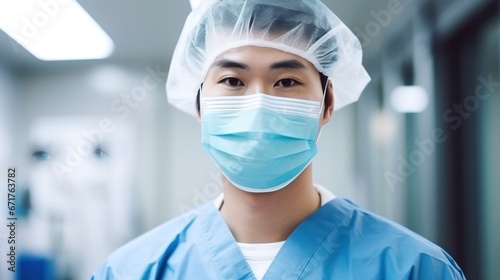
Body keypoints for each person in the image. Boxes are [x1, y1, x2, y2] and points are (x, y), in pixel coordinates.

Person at [92, 0, 466, 279]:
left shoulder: (412, 268)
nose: (258, 104)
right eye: (232, 81)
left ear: (327, 102)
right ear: (199, 104)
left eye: (286, 81)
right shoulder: (132, 271)